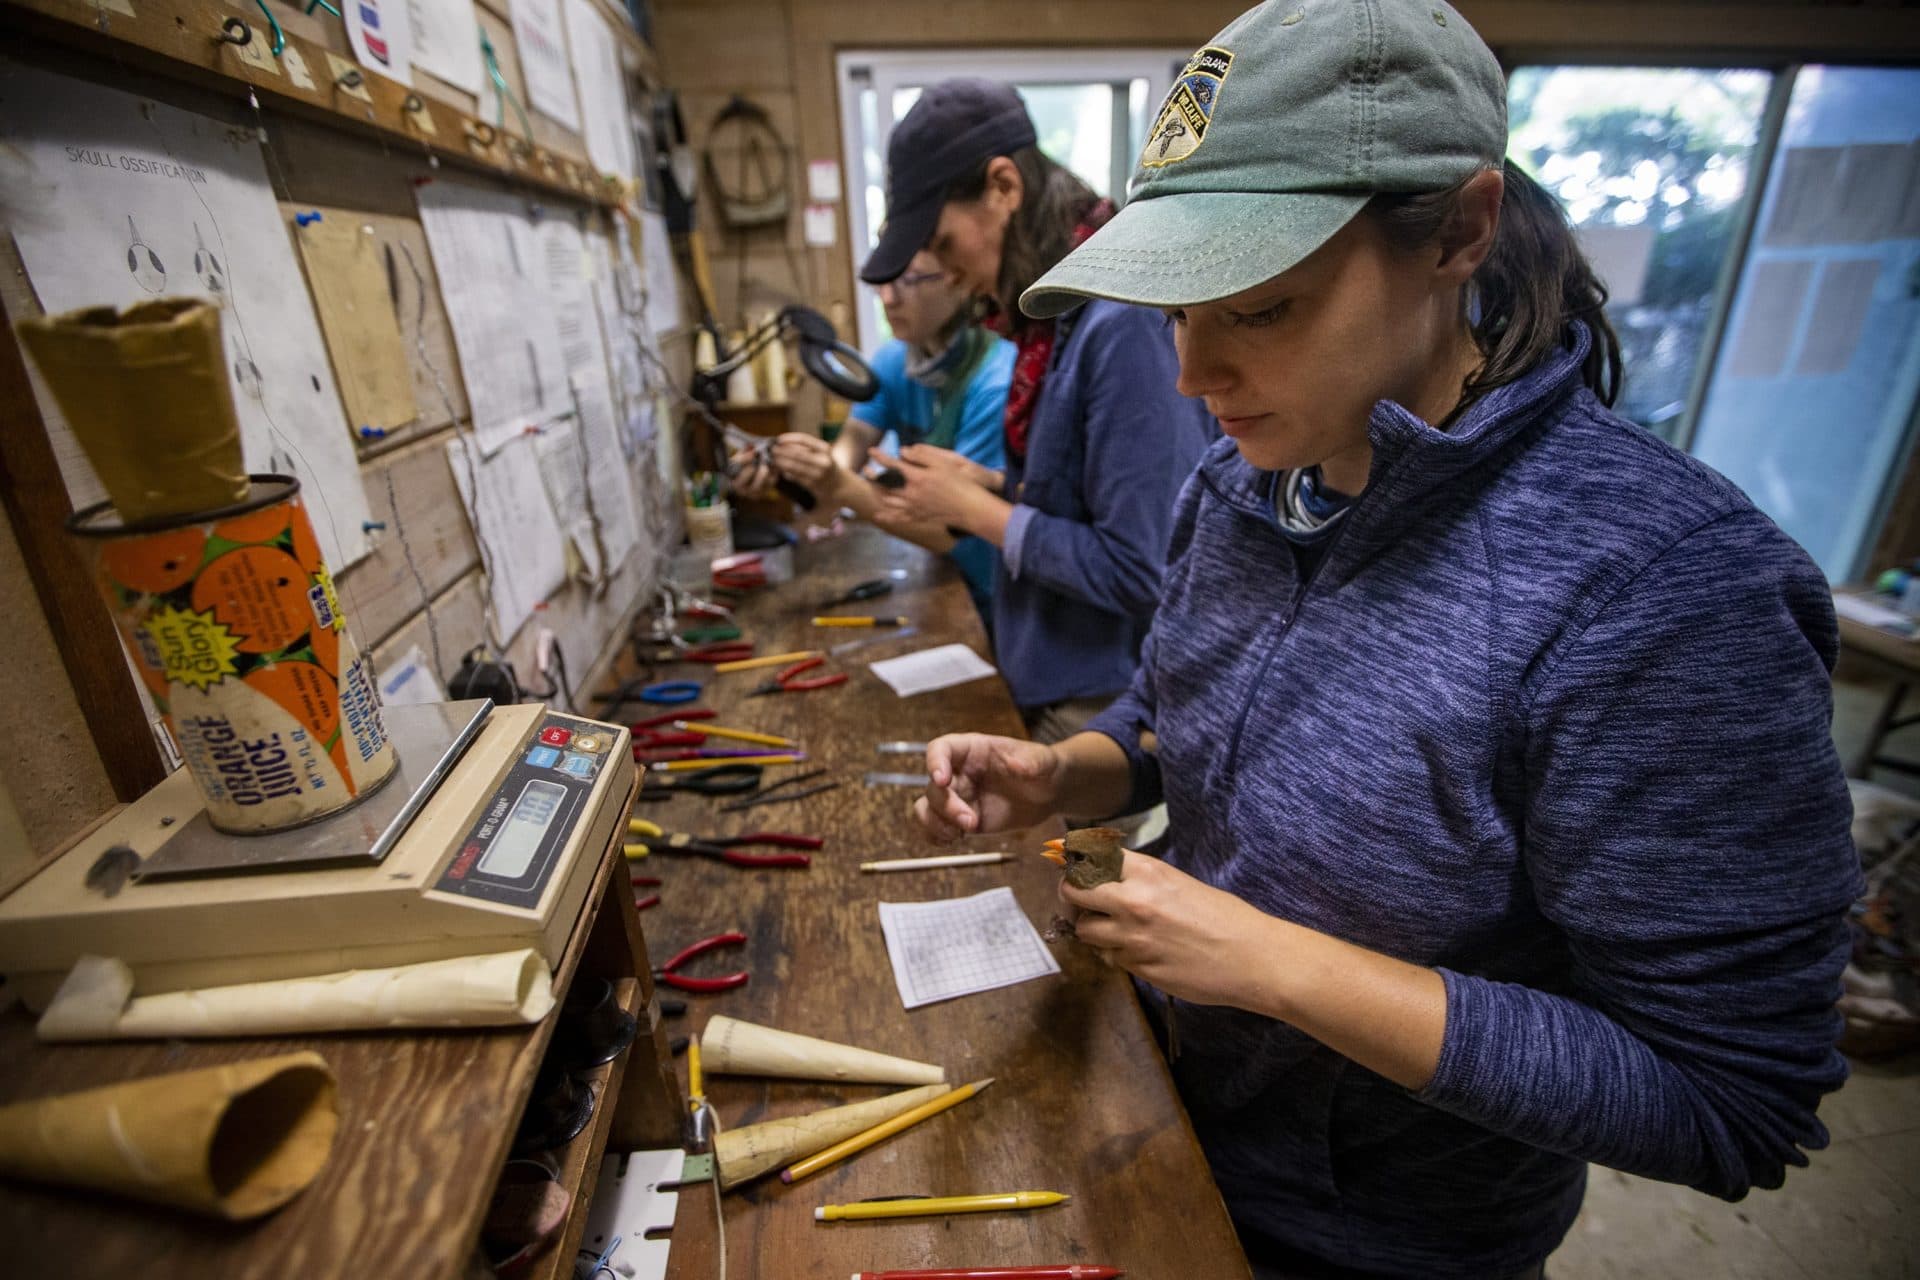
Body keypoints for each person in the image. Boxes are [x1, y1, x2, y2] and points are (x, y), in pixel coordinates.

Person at [911, 4, 1862, 1278]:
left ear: (1460, 231)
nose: (1194, 377)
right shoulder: (1245, 479)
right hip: (1157, 1102)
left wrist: (1277, 965)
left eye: (1262, 307)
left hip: (1374, 1235)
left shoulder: (1665, 596)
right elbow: (1178, 708)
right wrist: (1079, 767)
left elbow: (1728, 1096)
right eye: (1175, 314)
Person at [860, 79, 1217, 743]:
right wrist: (989, 484)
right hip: (1053, 681)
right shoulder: (1049, 326)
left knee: (1073, 856)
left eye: (941, 242)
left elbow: (1145, 568)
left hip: (1103, 708)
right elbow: (1083, 497)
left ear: (1003, 187)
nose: (942, 268)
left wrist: (976, 512)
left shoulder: (1120, 323)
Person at [739, 250, 1012, 616]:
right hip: (938, 577)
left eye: (908, 280)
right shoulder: (895, 361)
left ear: (960, 280)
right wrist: (801, 471)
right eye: (880, 282)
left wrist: (837, 484)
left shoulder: (995, 380)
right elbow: (851, 445)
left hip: (993, 593)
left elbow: (953, 529)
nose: (888, 297)